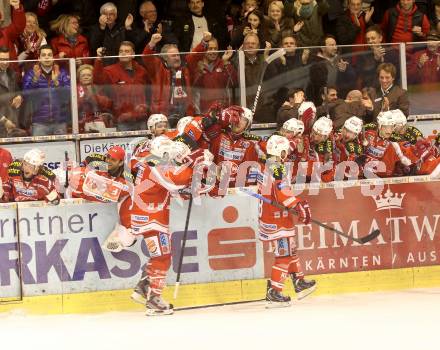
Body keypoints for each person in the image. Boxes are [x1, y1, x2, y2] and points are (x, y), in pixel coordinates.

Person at [105, 136, 213, 316]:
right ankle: (153, 296)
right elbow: (176, 180)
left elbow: (173, 186)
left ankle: (145, 285)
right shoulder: (156, 164)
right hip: (151, 218)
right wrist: (196, 163)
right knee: (163, 256)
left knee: (160, 255)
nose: (171, 155)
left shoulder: (146, 160)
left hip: (142, 214)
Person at [258, 134, 315, 306]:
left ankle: (299, 281)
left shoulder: (267, 164)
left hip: (276, 217)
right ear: (280, 153)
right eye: (286, 152)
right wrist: (297, 205)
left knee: (290, 251)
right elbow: (282, 193)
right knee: (284, 256)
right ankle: (274, 292)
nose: (287, 155)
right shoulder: (276, 168)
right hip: (276, 221)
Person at [143, 32, 212, 127]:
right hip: (164, 113)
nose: (177, 58)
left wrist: (204, 42)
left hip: (185, 112)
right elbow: (147, 59)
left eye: (178, 55)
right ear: (165, 58)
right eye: (173, 56)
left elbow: (195, 56)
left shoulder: (185, 68)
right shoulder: (158, 69)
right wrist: (151, 43)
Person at [93, 41, 149, 131]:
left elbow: (149, 91)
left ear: (133, 54)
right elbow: (97, 79)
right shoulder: (111, 71)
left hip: (141, 118)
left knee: (143, 144)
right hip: (123, 120)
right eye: (121, 51)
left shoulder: (141, 71)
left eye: (127, 51)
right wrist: (99, 59)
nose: (123, 53)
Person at [22, 44, 71, 136]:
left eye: (49, 55)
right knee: (40, 150)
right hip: (39, 123)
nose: (47, 57)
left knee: (61, 149)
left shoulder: (62, 73)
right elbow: (26, 95)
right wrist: (35, 80)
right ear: (39, 58)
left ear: (53, 57)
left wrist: (56, 82)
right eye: (43, 55)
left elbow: (68, 96)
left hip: (59, 122)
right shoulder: (31, 73)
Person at [66, 146, 132, 203]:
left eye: (113, 160)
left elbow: (124, 194)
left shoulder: (126, 176)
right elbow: (80, 167)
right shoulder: (97, 159)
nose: (108, 161)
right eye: (108, 157)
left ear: (120, 163)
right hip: (84, 198)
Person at [188, 38, 237, 114]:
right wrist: (199, 73)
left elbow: (233, 82)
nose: (213, 51)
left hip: (222, 112)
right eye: (210, 48)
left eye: (215, 48)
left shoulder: (223, 63)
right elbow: (193, 86)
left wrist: (226, 63)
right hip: (203, 113)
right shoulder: (197, 65)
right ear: (204, 50)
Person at [0, 46, 24, 137]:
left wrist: (19, 97)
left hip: (12, 123)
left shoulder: (13, 74)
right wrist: (4, 120)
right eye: (1, 59)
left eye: (7, 59)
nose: (5, 62)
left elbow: (18, 91)